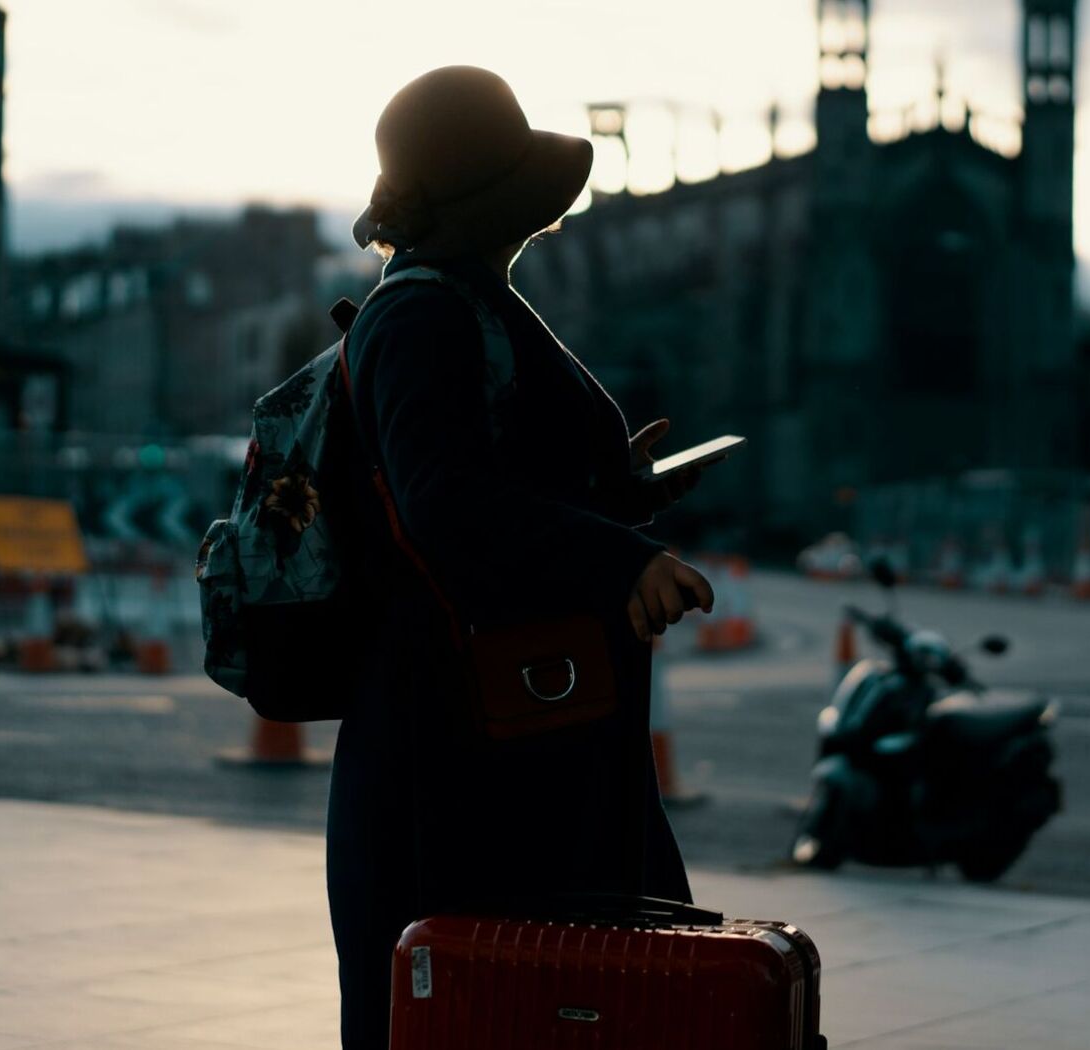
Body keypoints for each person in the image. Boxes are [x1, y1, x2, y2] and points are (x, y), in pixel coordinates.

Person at [329, 66, 716, 1049]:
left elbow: (492, 478)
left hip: (524, 722)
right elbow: (445, 504)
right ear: (489, 202)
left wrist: (615, 491)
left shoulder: (472, 301)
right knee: (480, 1002)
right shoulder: (421, 316)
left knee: (560, 991)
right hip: (465, 746)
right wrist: (616, 559)